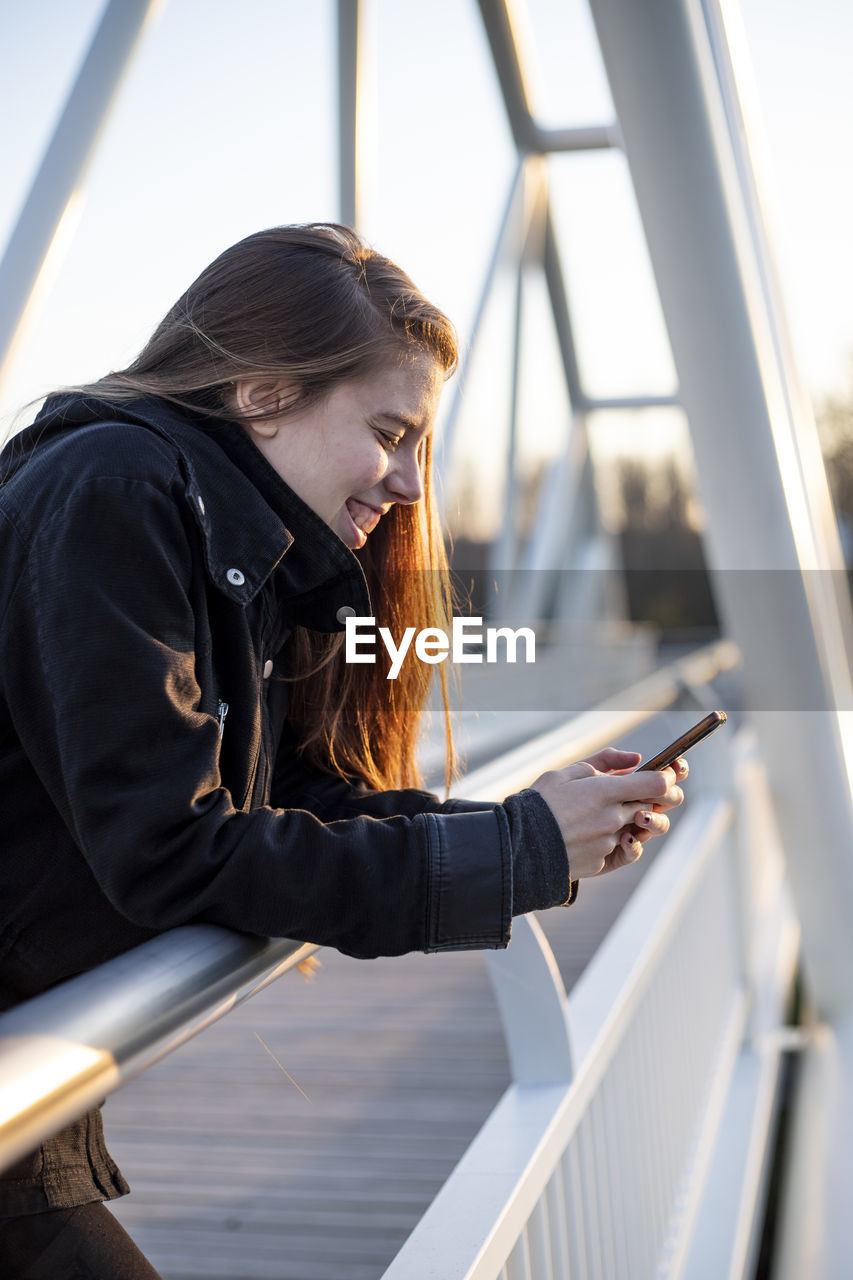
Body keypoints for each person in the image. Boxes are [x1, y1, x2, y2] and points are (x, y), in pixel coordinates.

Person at [0, 223, 686, 1277]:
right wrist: (517, 850)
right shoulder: (115, 486)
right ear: (265, 391)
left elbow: (296, 792)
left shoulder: (225, 530)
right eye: (389, 430)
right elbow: (173, 850)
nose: (413, 482)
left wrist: (529, 825)